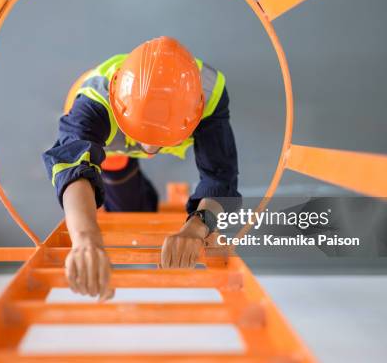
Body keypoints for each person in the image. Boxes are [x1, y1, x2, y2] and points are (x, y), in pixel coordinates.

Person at [43, 36, 240, 301]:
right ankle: (119, 165)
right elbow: (70, 164)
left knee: (137, 207)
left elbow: (221, 176)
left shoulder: (210, 95)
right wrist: (85, 240)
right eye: (143, 137)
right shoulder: (94, 104)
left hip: (124, 125)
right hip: (109, 145)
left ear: (196, 111)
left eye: (159, 140)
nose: (149, 149)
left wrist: (196, 228)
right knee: (126, 203)